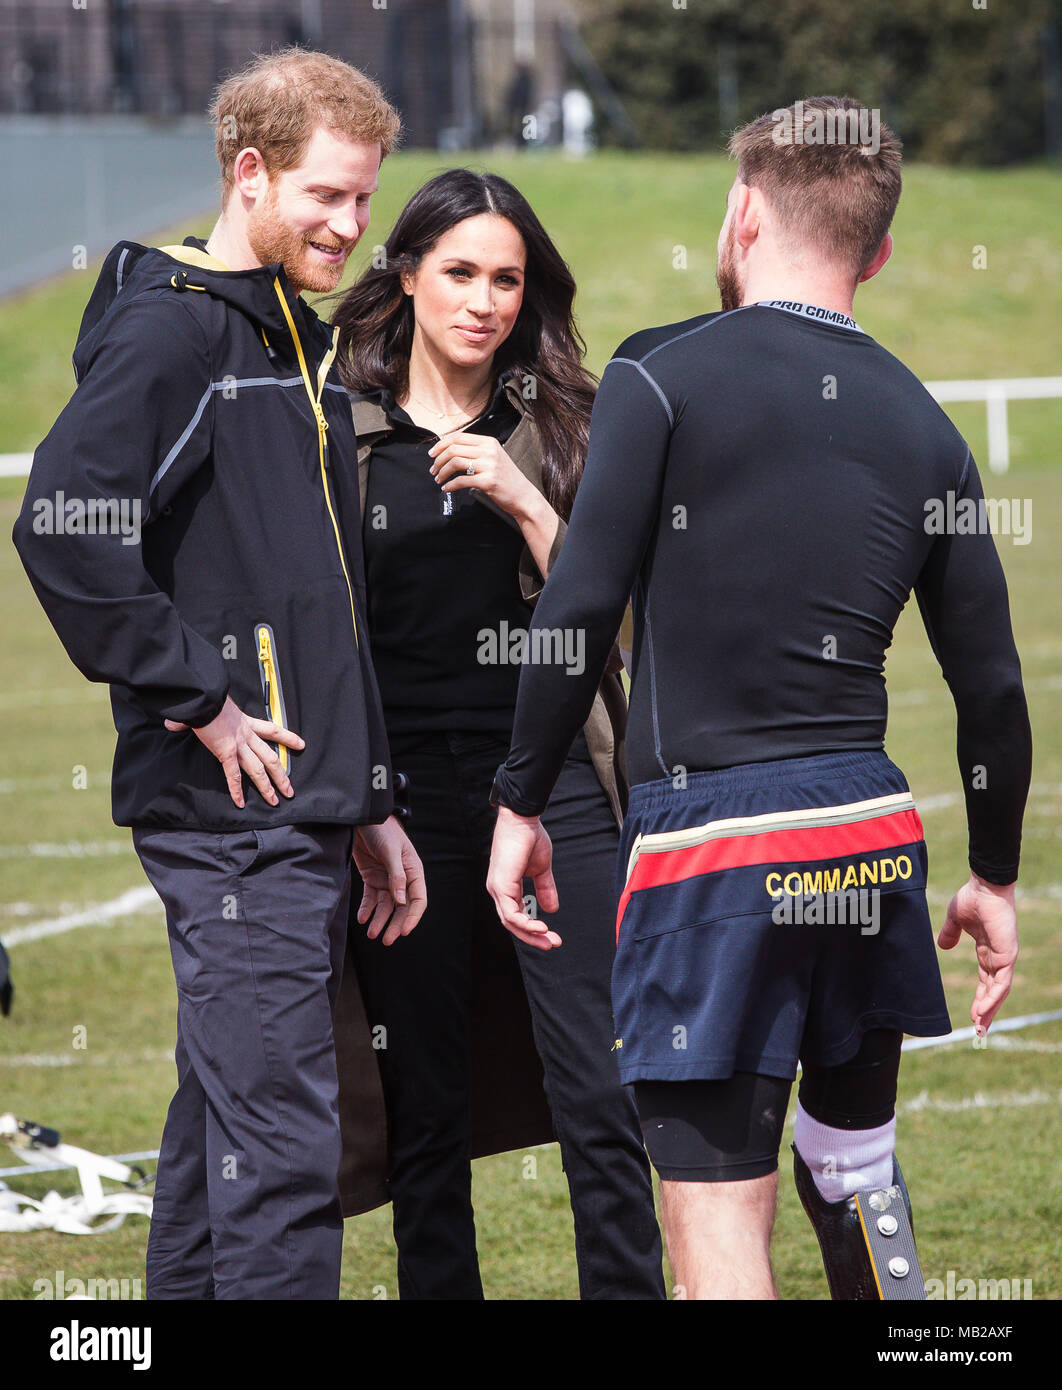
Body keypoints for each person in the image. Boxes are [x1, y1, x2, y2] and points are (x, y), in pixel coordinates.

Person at [487, 95, 1032, 1300]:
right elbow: (991, 686)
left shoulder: (661, 375)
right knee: (854, 1172)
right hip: (867, 833)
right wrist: (992, 875)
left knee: (716, 1226)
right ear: (876, 252)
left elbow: (577, 606)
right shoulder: (927, 425)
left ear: (740, 215)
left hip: (714, 848)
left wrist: (519, 797)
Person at [12, 47, 426, 1300]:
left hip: (297, 807)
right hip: (230, 820)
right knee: (288, 1154)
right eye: (329, 197)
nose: (352, 227)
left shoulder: (283, 335)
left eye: (365, 200)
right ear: (250, 175)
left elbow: (311, 599)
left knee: (219, 1148)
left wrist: (363, 798)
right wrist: (196, 697)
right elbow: (63, 523)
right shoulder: (173, 330)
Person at [329, 169, 665, 1299]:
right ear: (409, 273)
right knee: (426, 1107)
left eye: (507, 279)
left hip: (556, 786)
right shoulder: (338, 429)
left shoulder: (567, 419)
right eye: (461, 272)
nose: (484, 300)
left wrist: (525, 501)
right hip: (401, 806)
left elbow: (613, 620)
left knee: (600, 1099)